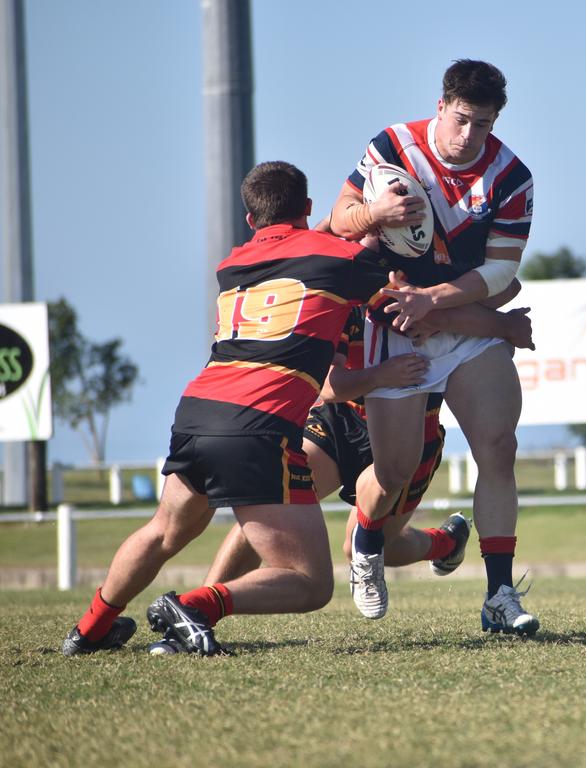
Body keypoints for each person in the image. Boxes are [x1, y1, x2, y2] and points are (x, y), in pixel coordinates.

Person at [60, 161, 394, 657]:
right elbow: (402, 284)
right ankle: (195, 606)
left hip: (198, 409)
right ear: (306, 207)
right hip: (257, 424)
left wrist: (345, 223)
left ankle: (89, 629)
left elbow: (308, 245)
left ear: (249, 219)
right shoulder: (336, 260)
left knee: (165, 529)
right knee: (309, 583)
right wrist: (376, 215)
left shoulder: (233, 263)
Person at [322, 59, 538, 635]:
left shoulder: (512, 177)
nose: (470, 137)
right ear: (441, 107)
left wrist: (433, 300)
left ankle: (498, 595)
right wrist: (376, 213)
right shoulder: (392, 145)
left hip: (456, 320)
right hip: (391, 322)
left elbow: (499, 273)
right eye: (463, 120)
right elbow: (336, 224)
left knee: (499, 446)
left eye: (484, 125)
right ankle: (366, 547)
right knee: (393, 469)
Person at [194, 300, 534, 610]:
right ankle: (197, 609)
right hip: (342, 421)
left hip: (416, 433)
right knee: (270, 510)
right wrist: (381, 376)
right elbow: (329, 388)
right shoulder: (345, 292)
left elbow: (503, 283)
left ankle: (444, 545)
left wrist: (499, 323)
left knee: (370, 546)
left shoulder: (434, 288)